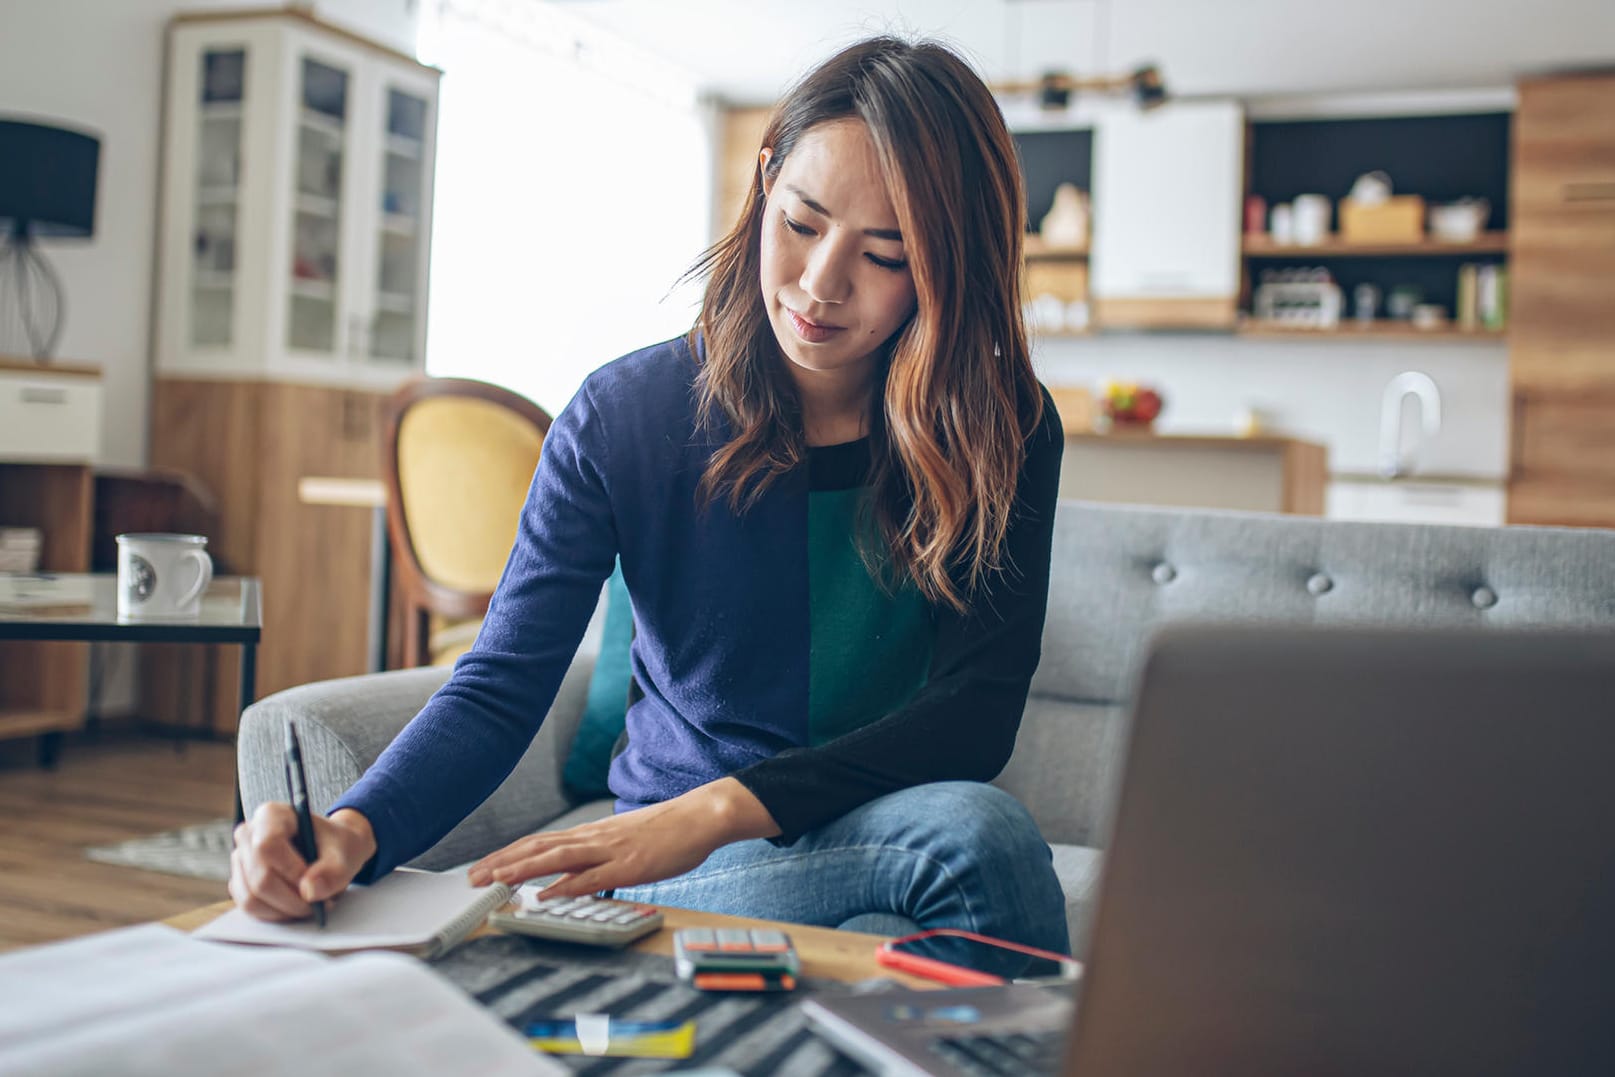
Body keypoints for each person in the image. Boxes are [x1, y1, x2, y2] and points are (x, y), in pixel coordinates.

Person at [230, 35, 1070, 953]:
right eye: (800, 223)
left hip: (854, 822)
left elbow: (974, 713)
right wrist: (350, 831)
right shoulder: (625, 415)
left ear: (951, 266)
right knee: (974, 847)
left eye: (886, 254)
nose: (821, 285)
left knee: (966, 837)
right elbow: (502, 683)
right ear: (763, 181)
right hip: (688, 857)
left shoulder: (1001, 425)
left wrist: (710, 809)